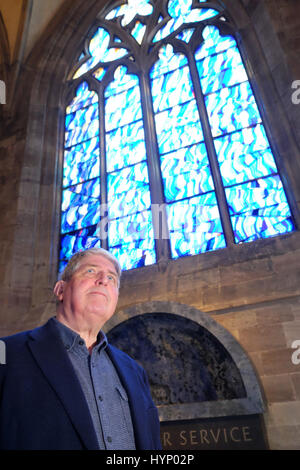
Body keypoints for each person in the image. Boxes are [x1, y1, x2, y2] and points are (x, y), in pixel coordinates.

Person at [0, 247, 162, 450]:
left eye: (112, 278)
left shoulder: (135, 371)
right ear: (60, 290)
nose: (103, 279)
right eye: (91, 271)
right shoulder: (6, 352)